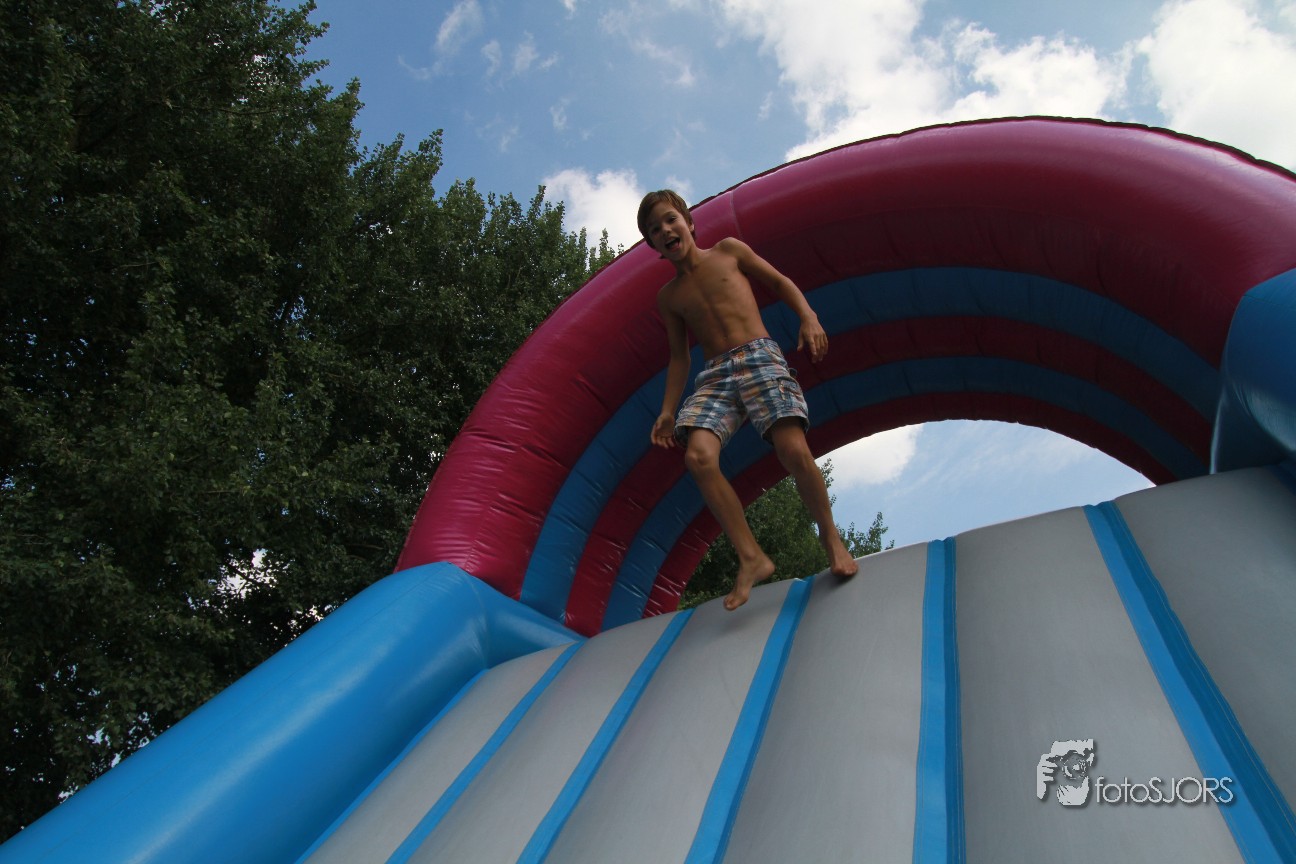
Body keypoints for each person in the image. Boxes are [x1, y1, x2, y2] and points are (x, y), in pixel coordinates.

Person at [639, 190, 859, 611]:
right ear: (654, 246)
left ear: (688, 222)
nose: (665, 230)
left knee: (793, 449)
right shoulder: (670, 297)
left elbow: (779, 282)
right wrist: (667, 412)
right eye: (654, 230)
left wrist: (808, 316)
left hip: (758, 357)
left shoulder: (728, 251)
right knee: (698, 457)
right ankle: (751, 556)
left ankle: (831, 537)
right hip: (716, 375)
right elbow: (679, 356)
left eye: (670, 220)